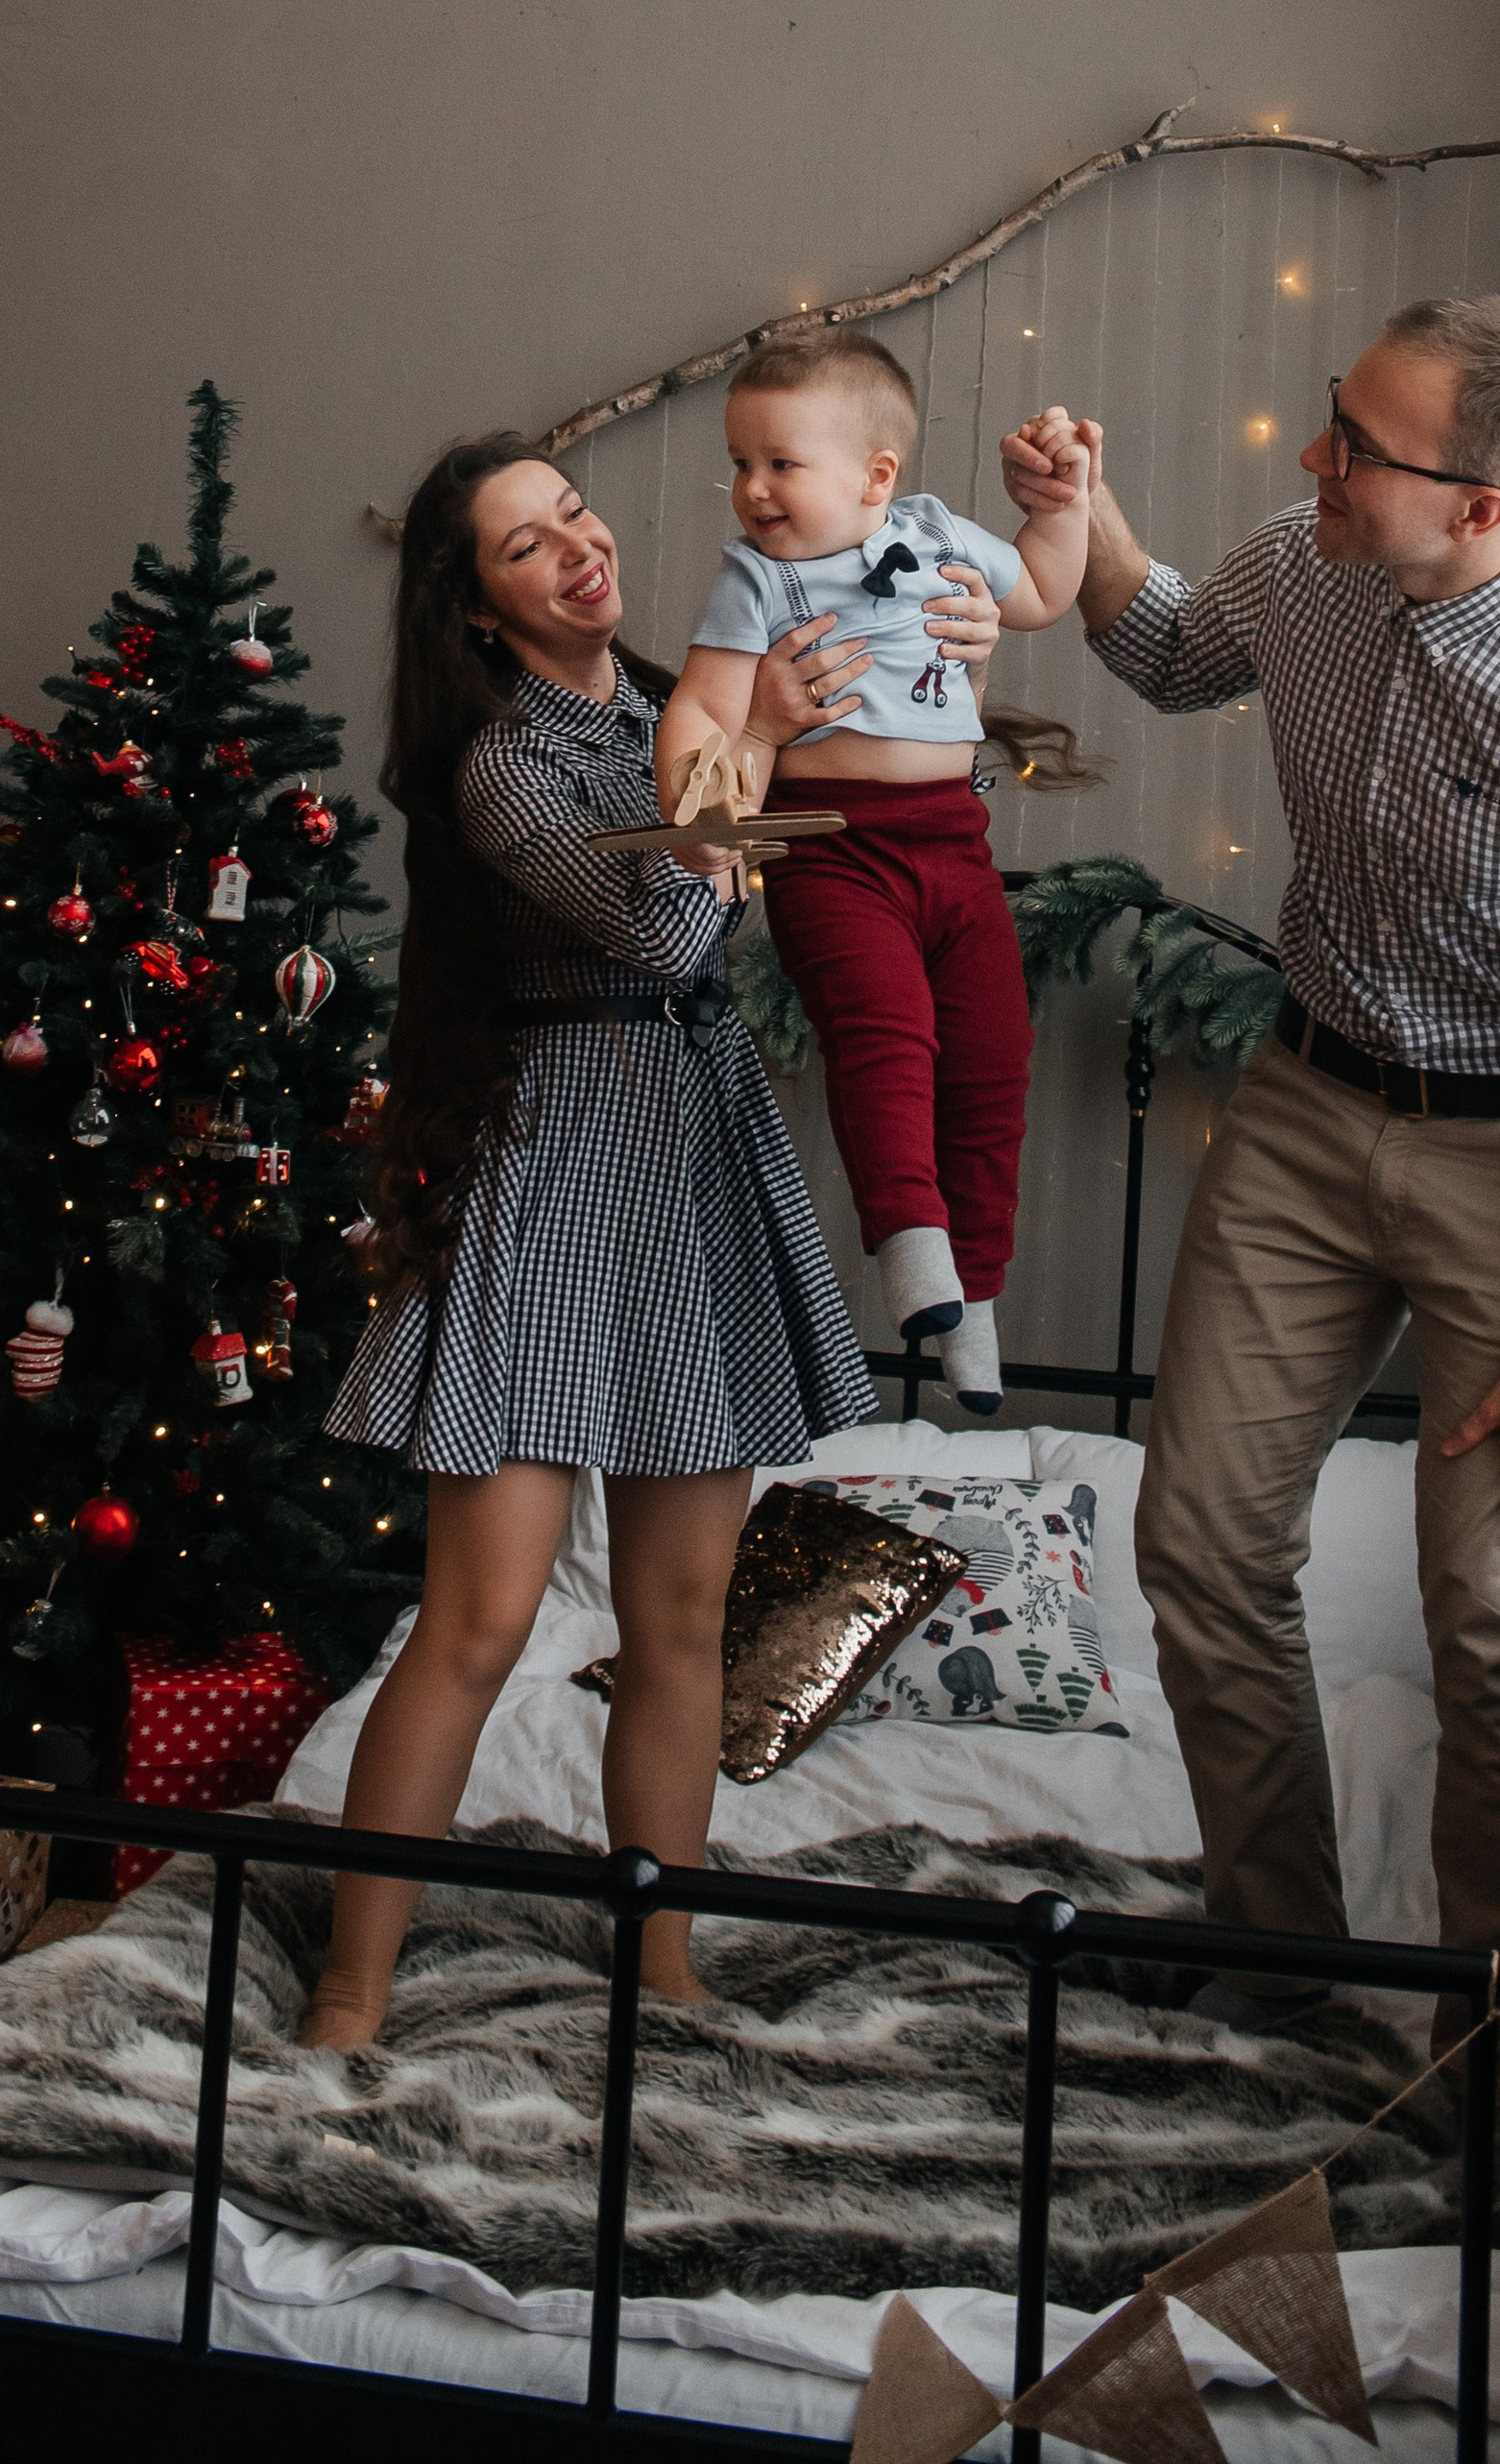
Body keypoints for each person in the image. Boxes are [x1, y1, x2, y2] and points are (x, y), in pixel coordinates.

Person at [1025, 297, 1500, 2116]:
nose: (1312, 460)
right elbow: (1174, 650)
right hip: (1310, 1106)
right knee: (1197, 1543)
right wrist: (1087, 508)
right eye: (1332, 420)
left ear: (1485, 508)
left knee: (1499, 1627)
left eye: (1359, 444)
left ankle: (1489, 2083)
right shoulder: (1317, 559)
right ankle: (1282, 1958)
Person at [305, 433, 989, 2049]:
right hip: (553, 1165)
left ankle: (663, 1971)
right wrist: (754, 740)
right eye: (527, 548)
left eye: (578, 517)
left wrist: (943, 628)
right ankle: (349, 1997)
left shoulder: (679, 704)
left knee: (681, 1626)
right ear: (479, 613)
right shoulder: (505, 767)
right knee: (474, 1625)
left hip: (690, 1160)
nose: (578, 553)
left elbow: (885, 758)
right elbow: (674, 918)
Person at [653, 339, 1095, 1413]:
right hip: (831, 846)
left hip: (954, 844)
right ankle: (909, 1241)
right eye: (738, 463)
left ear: (876, 475)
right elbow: (704, 711)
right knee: (885, 1037)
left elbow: (1039, 588)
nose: (752, 489)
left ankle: (976, 1290)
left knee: (993, 1060)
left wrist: (1066, 506)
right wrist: (704, 800)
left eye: (780, 464)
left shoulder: (938, 532)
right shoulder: (757, 576)